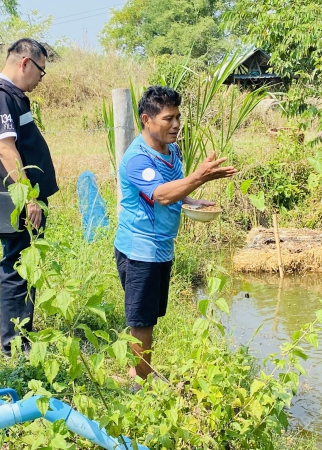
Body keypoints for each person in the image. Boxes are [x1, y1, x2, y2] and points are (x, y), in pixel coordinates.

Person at [115, 86, 237, 380]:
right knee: (141, 322)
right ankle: (140, 384)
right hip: (139, 249)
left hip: (162, 247)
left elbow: (173, 188)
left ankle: (138, 370)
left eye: (178, 117)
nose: (176, 124)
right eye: (168, 118)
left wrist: (191, 199)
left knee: (150, 317)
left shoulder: (172, 150)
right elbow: (161, 195)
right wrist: (199, 177)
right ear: (146, 119)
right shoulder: (138, 158)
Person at [0, 38, 59, 357]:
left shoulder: (13, 96)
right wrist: (28, 198)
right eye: (41, 70)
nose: (41, 78)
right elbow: (5, 148)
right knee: (17, 268)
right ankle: (15, 345)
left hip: (27, 200)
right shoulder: (1, 96)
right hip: (18, 202)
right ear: (25, 62)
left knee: (29, 265)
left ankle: (23, 332)